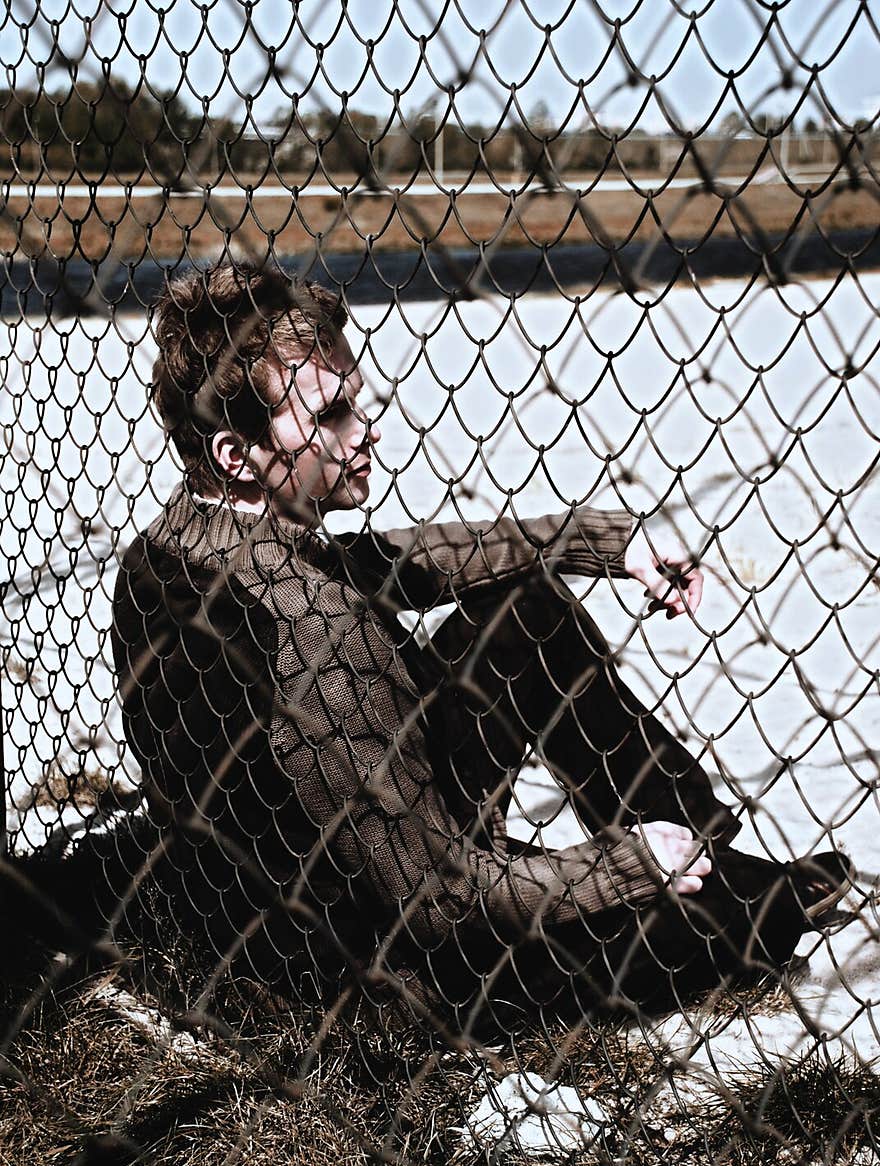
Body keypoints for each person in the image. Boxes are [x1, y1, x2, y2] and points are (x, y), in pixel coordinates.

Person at [109, 261, 851, 1035]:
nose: (366, 430)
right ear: (238, 455)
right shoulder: (320, 630)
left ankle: (699, 850)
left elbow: (399, 559)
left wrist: (595, 541)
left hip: (252, 898)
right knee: (737, 925)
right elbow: (441, 902)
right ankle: (713, 883)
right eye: (330, 416)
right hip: (389, 976)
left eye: (355, 401)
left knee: (524, 607)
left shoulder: (167, 550)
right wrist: (624, 865)